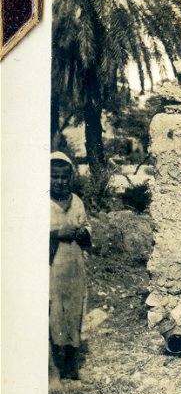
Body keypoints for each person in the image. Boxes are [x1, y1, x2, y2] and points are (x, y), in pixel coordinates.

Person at [49, 152, 92, 381]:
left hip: (74, 267)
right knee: (54, 314)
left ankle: (71, 366)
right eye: (54, 177)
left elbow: (87, 227)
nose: (60, 181)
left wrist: (83, 232)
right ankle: (54, 369)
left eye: (64, 177)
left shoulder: (76, 201)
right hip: (52, 269)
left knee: (74, 313)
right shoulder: (42, 202)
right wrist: (56, 234)